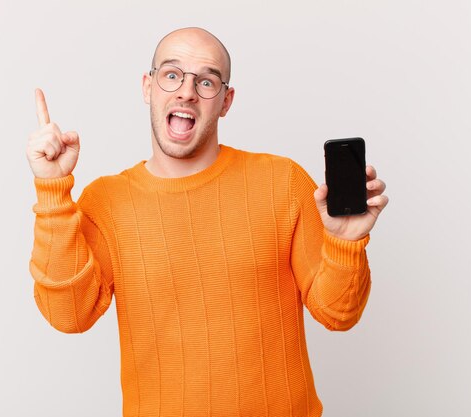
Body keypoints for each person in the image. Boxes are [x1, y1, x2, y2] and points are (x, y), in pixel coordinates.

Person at [26, 27, 388, 417]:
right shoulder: (108, 201)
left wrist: (345, 245)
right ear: (148, 87)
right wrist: (52, 190)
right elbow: (69, 316)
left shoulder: (282, 182)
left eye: (206, 81)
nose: (186, 91)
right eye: (171, 75)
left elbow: (338, 314)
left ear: (226, 101)